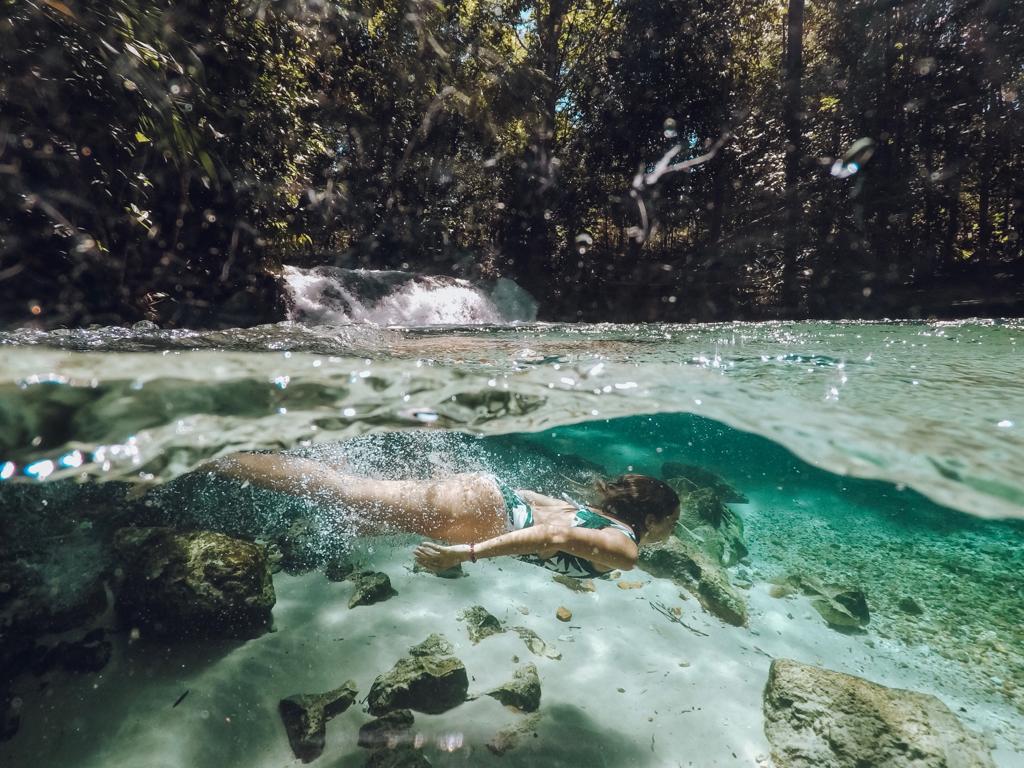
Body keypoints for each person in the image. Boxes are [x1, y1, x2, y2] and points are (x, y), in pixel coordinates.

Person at [207, 452, 680, 577]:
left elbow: (538, 507)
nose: (673, 533)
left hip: (485, 496)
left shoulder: (598, 517)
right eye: (673, 523)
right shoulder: (626, 549)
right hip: (476, 515)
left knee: (355, 499)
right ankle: (213, 458)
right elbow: (551, 538)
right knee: (339, 491)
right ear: (653, 519)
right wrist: (466, 554)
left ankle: (240, 459)